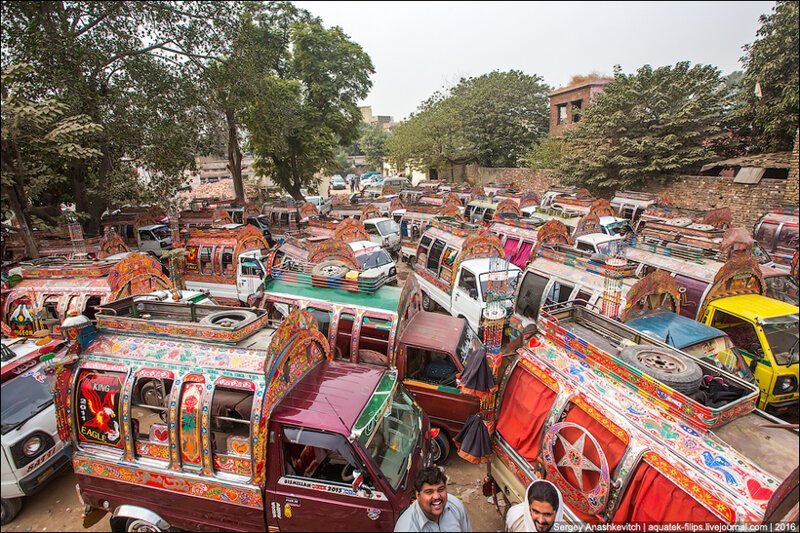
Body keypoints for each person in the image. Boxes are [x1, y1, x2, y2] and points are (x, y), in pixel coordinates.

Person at [394, 466, 471, 532]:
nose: (437, 497)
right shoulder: (407, 528)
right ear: (418, 495)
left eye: (440, 490)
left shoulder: (455, 506)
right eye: (429, 492)